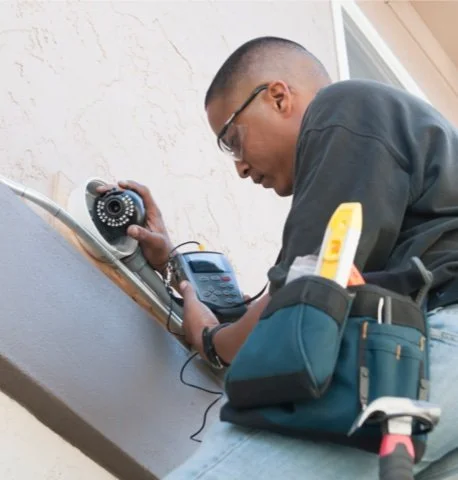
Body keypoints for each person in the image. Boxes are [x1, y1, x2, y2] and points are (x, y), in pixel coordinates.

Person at [112, 37, 458, 479]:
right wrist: (171, 266)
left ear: (278, 96)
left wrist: (212, 341)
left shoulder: (344, 106)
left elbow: (301, 299)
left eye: (232, 139)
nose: (238, 166)